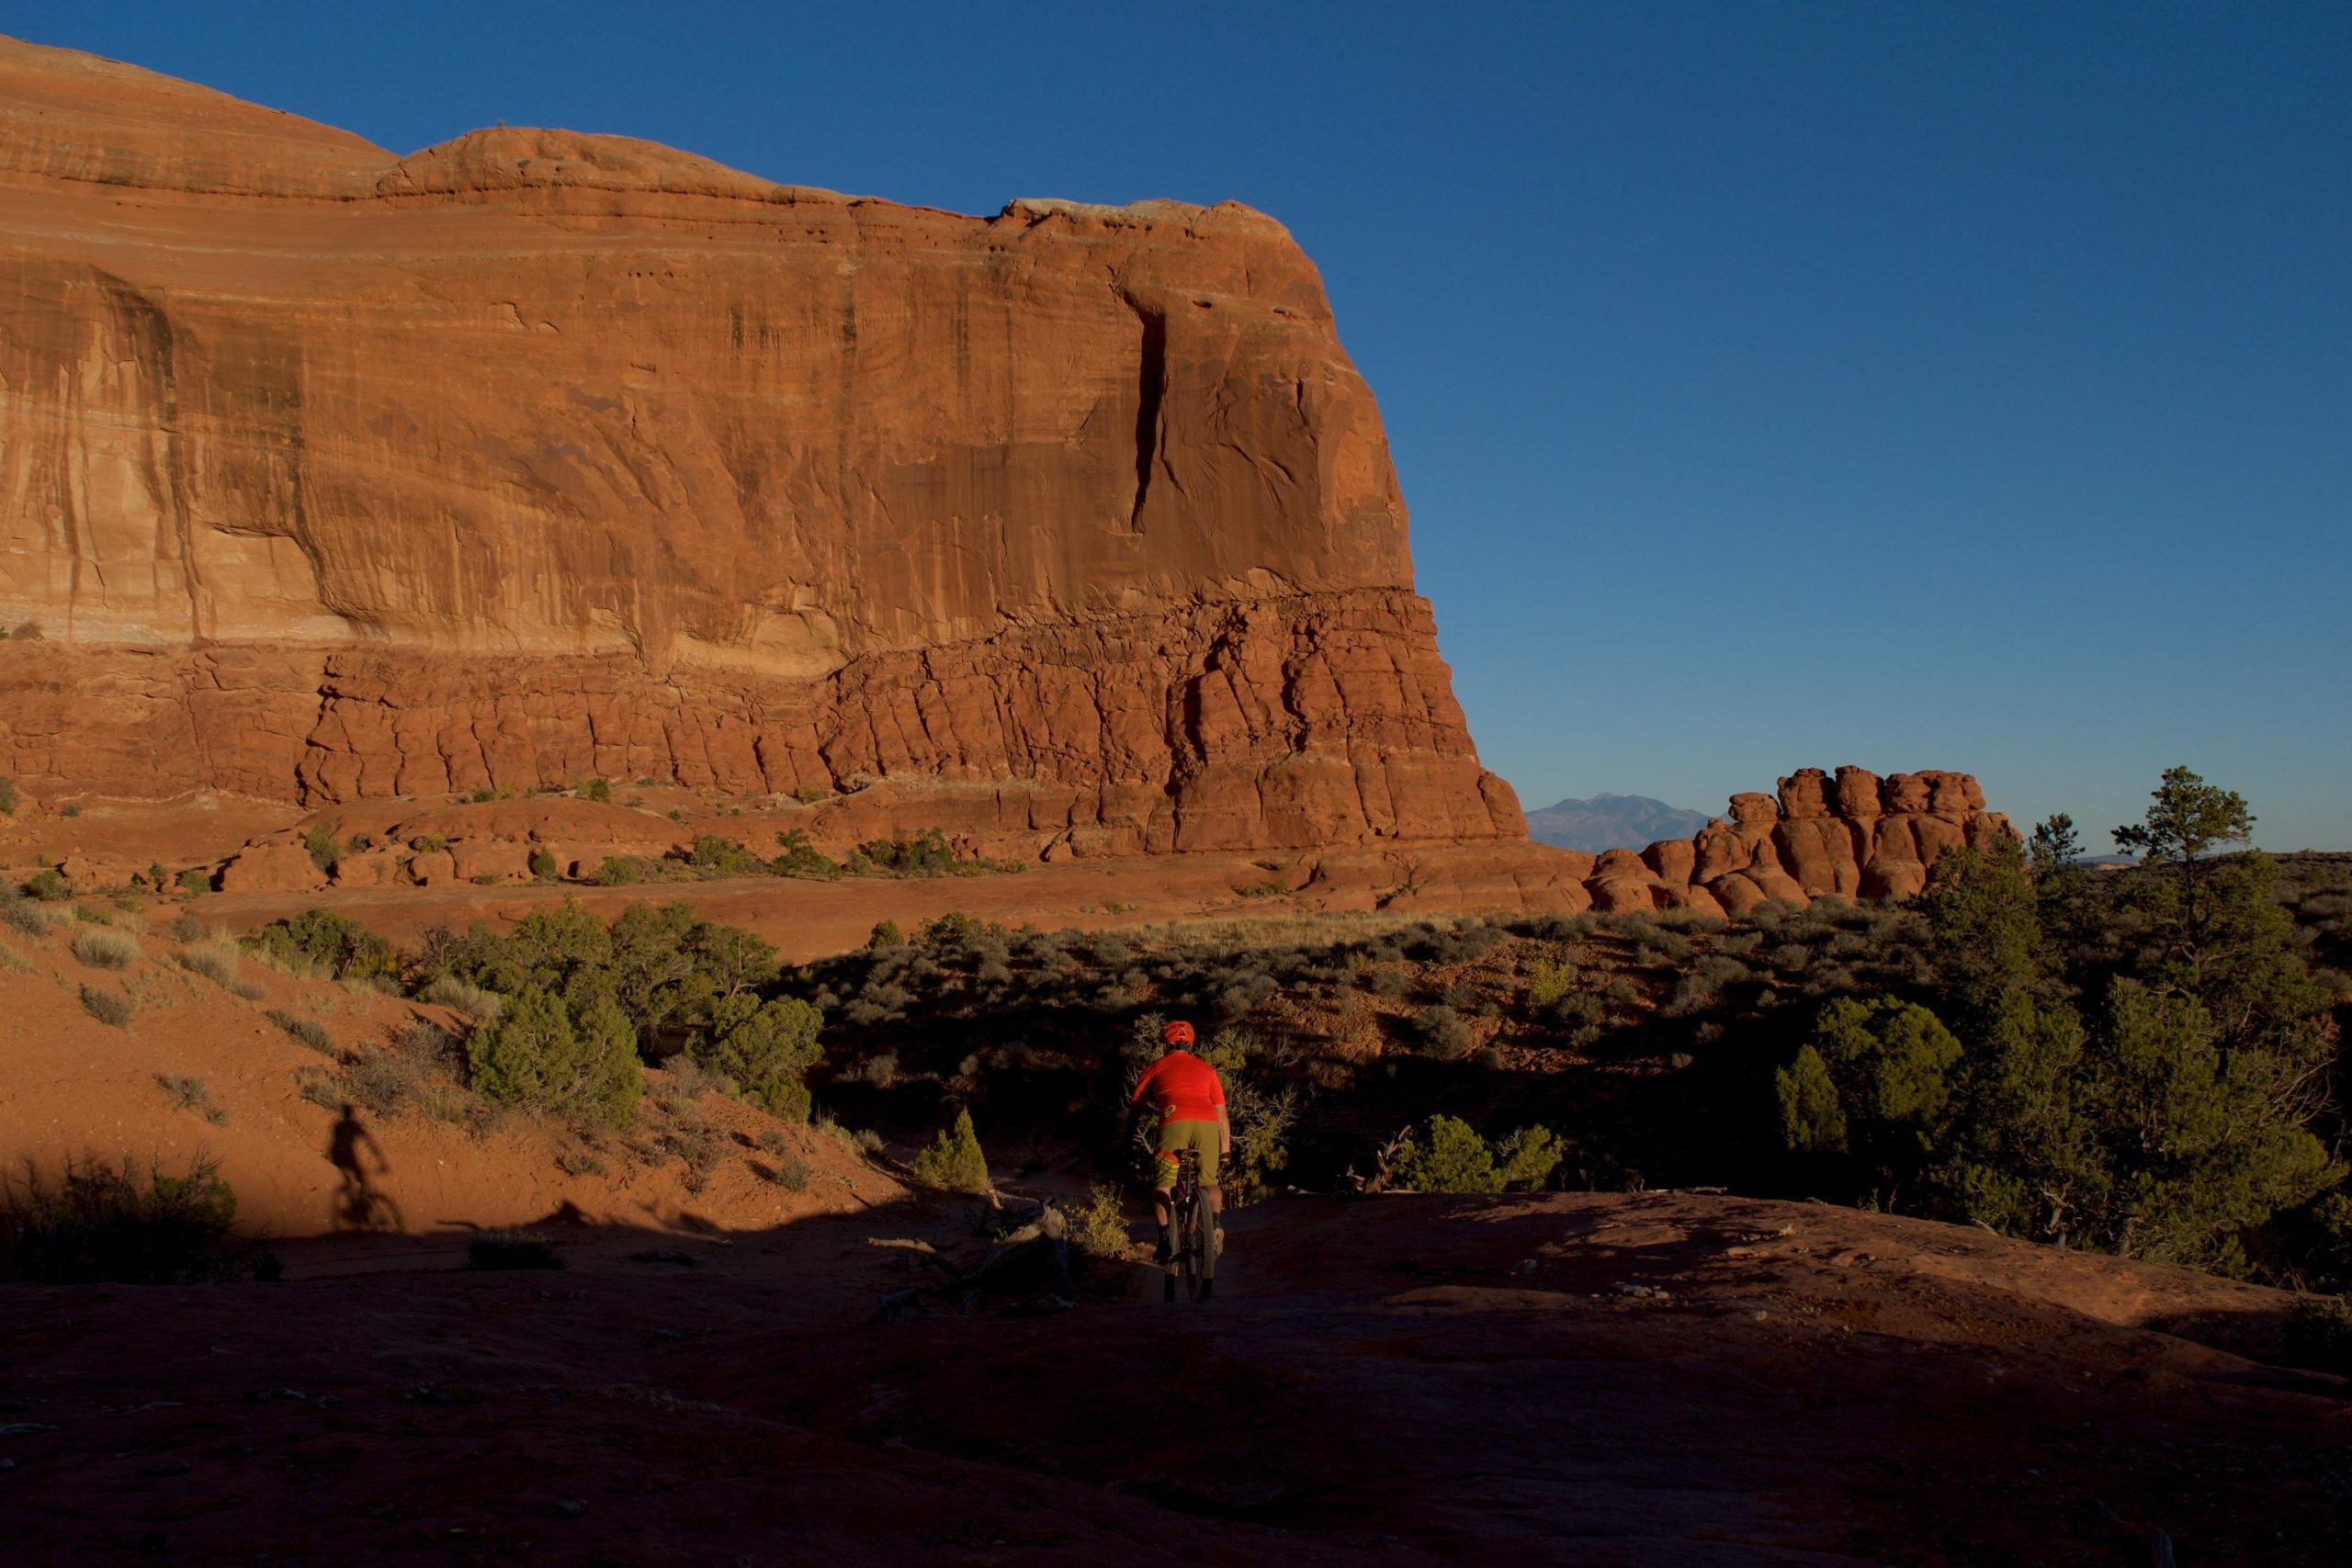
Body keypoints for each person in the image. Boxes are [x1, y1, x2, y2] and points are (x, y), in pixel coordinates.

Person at [1128, 1019, 1229, 1264]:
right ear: (1190, 1046)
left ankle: (1164, 1242)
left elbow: (1136, 1109)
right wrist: (1225, 1151)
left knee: (1163, 1186)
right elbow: (1222, 1115)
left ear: (1166, 1044)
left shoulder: (1155, 1067)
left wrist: (1128, 1141)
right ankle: (1214, 1225)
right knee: (1209, 1182)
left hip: (1174, 1121)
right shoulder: (1206, 1070)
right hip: (1207, 1124)